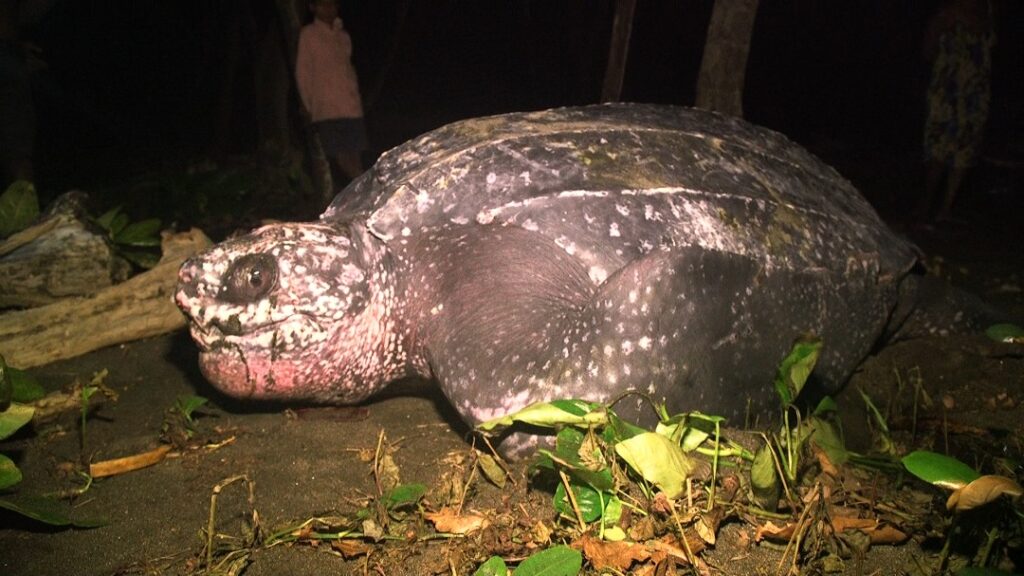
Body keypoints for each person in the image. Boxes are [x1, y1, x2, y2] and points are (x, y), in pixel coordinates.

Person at [918, 0, 995, 223]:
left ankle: (946, 208)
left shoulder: (988, 10)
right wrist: (943, 23)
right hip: (946, 88)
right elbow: (928, 51)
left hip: (974, 92)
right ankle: (926, 203)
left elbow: (987, 39)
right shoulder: (947, 11)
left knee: (964, 150)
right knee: (937, 146)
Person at [295, 0, 367, 184]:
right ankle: (363, 188)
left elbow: (348, 69)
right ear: (313, 7)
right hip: (326, 108)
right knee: (339, 158)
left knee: (355, 156)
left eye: (332, 4)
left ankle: (362, 197)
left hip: (351, 107)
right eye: (323, 5)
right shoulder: (308, 35)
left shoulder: (343, 36)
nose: (329, 9)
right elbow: (302, 73)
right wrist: (307, 105)